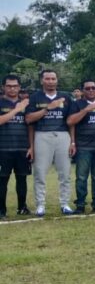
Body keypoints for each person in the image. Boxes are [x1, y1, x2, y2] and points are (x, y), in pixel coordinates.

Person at [25, 69, 78, 216]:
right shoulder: (35, 97)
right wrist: (48, 108)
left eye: (53, 79)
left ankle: (65, 204)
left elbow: (71, 122)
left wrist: (73, 142)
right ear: (42, 81)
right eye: (47, 79)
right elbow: (29, 119)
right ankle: (40, 205)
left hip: (63, 135)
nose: (50, 81)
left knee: (65, 173)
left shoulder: (66, 97)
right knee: (40, 173)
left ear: (57, 80)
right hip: (42, 135)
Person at [66, 80, 95, 214]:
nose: (91, 90)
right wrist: (86, 110)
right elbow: (70, 122)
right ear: (83, 91)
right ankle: (80, 204)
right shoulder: (77, 104)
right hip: (83, 146)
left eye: (93, 88)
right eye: (88, 88)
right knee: (81, 177)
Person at [0, 75, 32, 219]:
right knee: (2, 180)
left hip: (22, 148)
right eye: (9, 86)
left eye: (15, 86)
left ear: (19, 87)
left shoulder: (26, 104)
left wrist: (31, 146)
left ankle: (22, 207)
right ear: (3, 87)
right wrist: (16, 109)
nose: (12, 88)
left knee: (22, 179)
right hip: (3, 149)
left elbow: (30, 126)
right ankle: (1, 210)